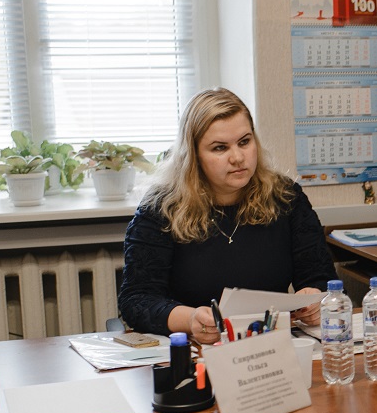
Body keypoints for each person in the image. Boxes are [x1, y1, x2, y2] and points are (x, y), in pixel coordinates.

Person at [119, 88, 336, 342]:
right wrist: (190, 319)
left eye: (244, 142)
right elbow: (136, 300)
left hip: (269, 346)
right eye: (220, 148)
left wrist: (315, 299)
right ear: (194, 156)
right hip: (196, 349)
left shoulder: (286, 197)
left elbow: (321, 278)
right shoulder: (161, 208)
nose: (238, 157)